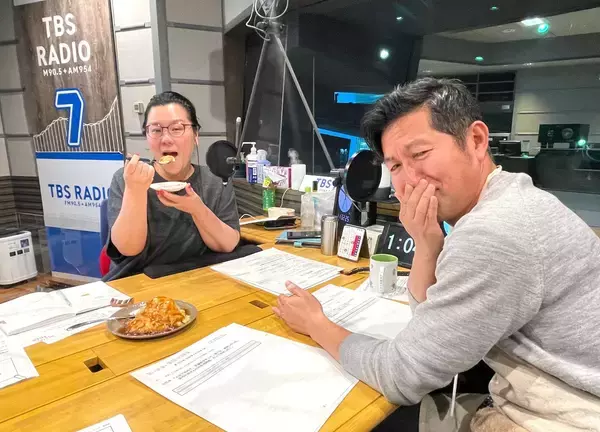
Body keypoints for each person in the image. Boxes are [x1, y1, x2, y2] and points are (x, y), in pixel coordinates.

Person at [273, 78, 600, 430]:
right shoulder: (509, 199)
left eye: (420, 154)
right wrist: (427, 243)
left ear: (476, 140)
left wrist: (316, 324)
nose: (410, 179)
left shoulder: (495, 231)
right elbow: (429, 325)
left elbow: (403, 375)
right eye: (395, 166)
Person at [103, 91, 240, 281]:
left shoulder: (215, 181)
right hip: (137, 282)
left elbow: (228, 244)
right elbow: (128, 248)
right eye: (156, 130)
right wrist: (135, 191)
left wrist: (197, 209)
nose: (166, 139)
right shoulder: (128, 179)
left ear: (196, 135)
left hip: (195, 280)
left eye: (177, 128)